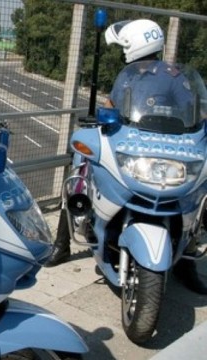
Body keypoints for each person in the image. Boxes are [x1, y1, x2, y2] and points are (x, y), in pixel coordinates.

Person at [45, 19, 207, 295]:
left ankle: (186, 260)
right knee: (80, 166)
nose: (122, 52)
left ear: (135, 44)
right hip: (134, 143)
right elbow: (110, 106)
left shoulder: (174, 78)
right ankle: (63, 242)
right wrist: (100, 119)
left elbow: (193, 111)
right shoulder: (128, 75)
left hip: (166, 145)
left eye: (125, 46)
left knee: (196, 191)